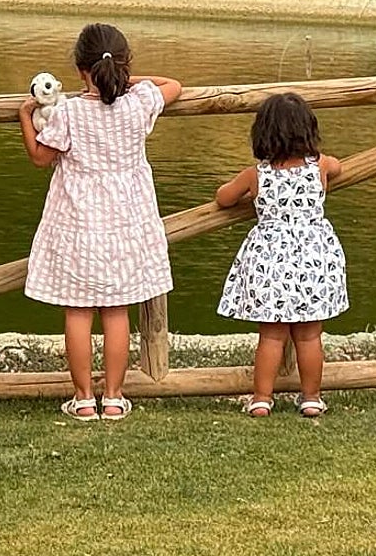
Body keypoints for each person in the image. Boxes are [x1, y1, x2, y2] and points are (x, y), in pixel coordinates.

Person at [19, 23, 181, 421]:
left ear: (79, 71)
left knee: (78, 311)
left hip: (77, 220)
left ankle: (83, 397)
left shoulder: (70, 111)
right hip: (126, 222)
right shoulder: (137, 102)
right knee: (116, 310)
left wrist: (25, 115)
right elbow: (172, 84)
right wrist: (124, 77)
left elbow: (42, 157)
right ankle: (113, 395)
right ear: (124, 66)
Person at [215, 93, 347, 418]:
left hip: (270, 259)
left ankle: (261, 398)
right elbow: (340, 168)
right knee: (310, 333)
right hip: (314, 257)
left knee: (271, 336)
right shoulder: (322, 167)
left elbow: (224, 198)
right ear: (308, 131)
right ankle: (312, 397)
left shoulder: (255, 175)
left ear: (262, 133)